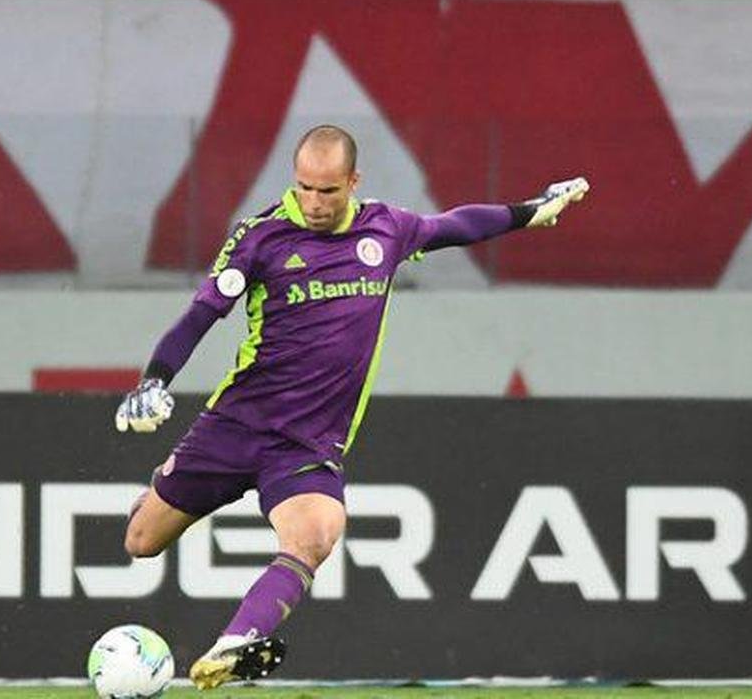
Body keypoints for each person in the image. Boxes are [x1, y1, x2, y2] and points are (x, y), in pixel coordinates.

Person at [116, 124, 589, 690]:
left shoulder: (385, 230)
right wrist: (155, 380)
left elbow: (456, 225)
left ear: (353, 182)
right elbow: (201, 314)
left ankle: (235, 643)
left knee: (315, 536)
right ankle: (164, 484)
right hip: (236, 424)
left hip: (307, 444)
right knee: (141, 542)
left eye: (327, 191)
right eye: (304, 189)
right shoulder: (260, 237)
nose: (313, 203)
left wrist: (532, 210)